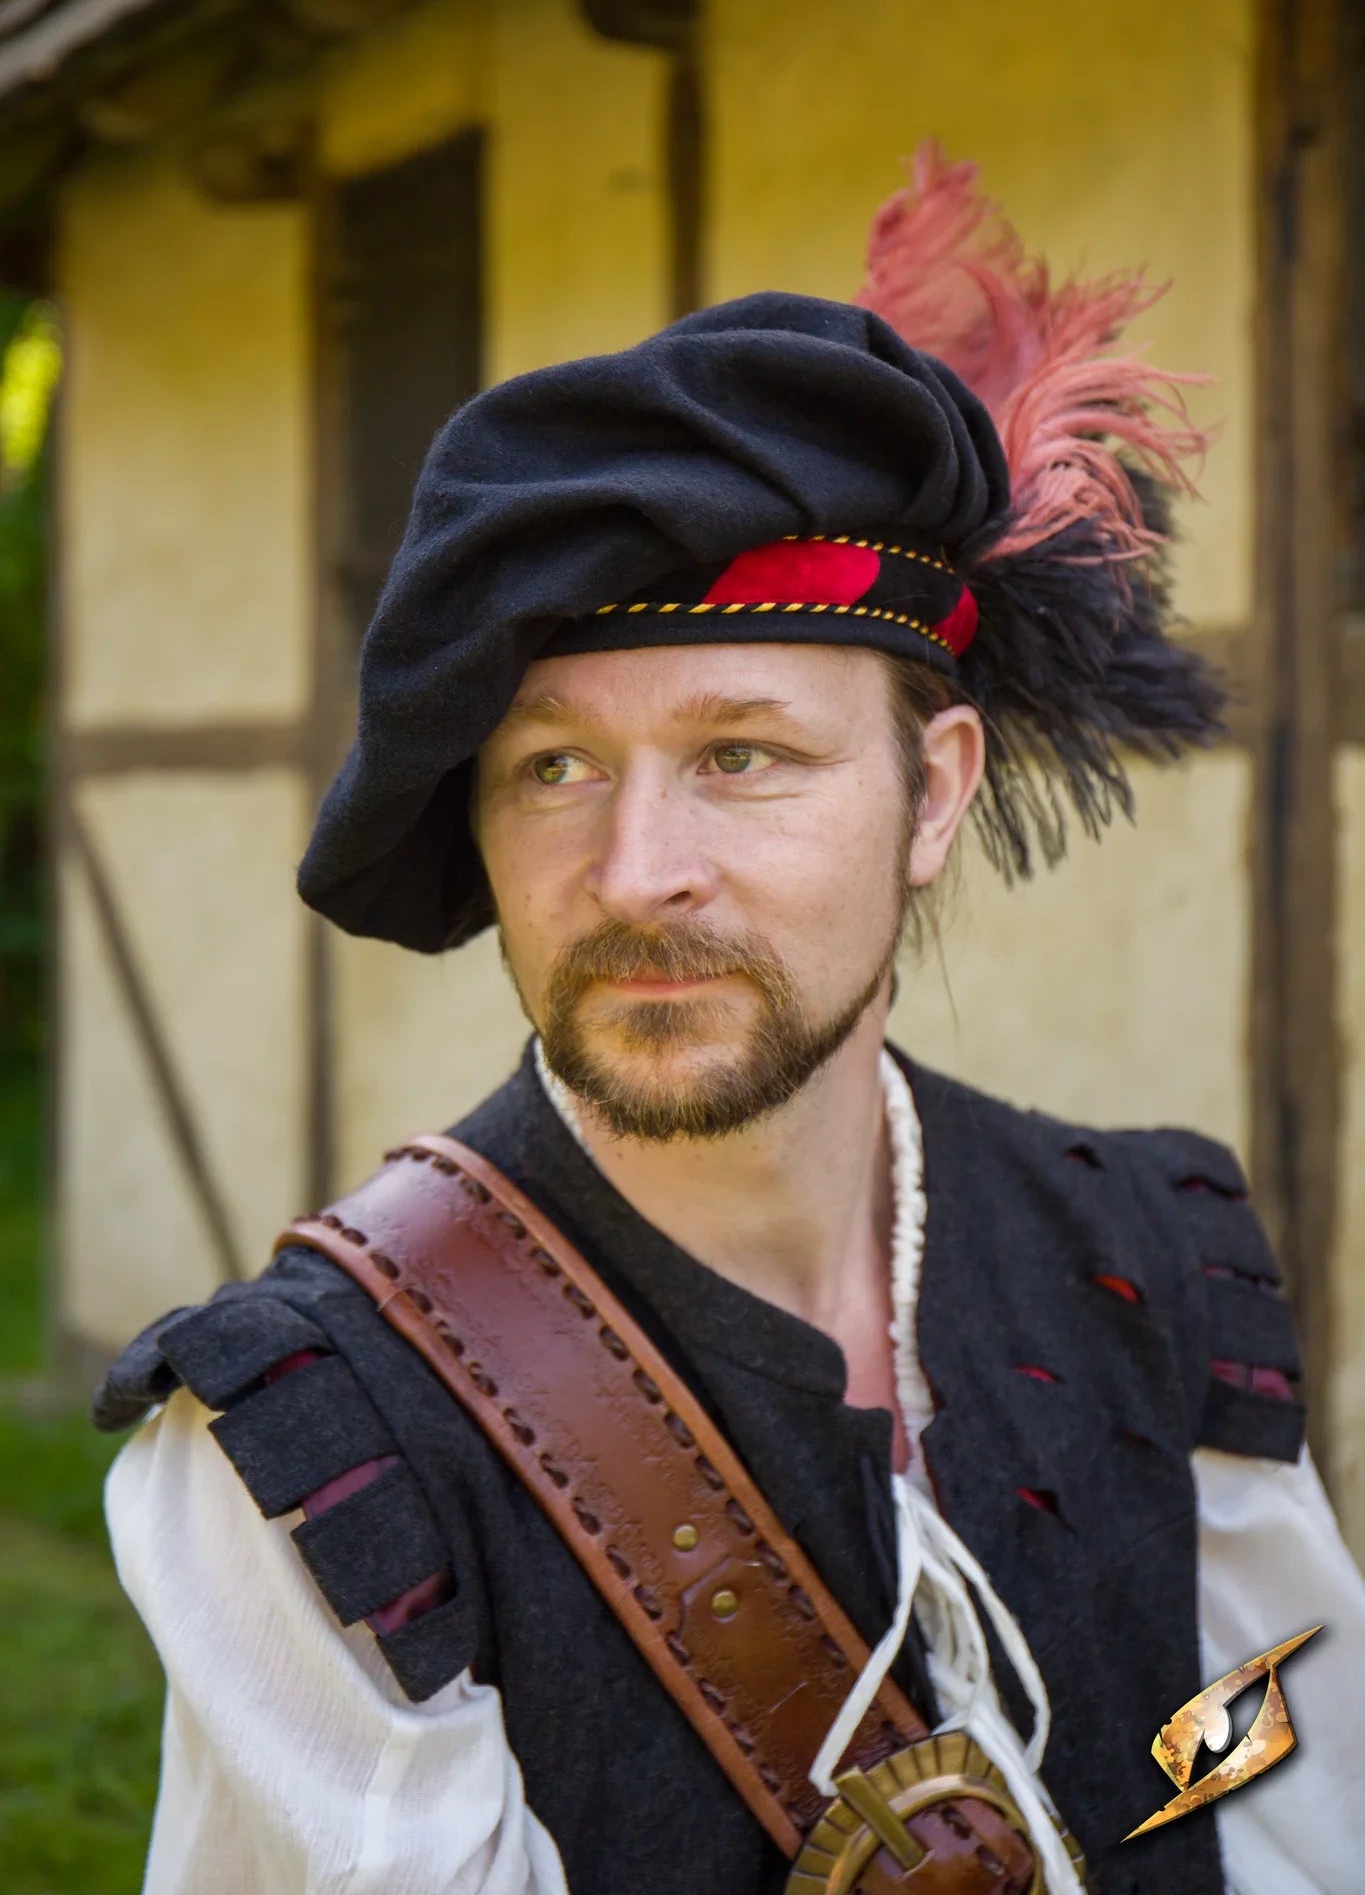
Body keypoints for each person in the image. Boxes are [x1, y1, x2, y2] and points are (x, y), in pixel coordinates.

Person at [96, 149, 1365, 1895]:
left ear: (933, 796)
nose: (636, 874)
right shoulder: (313, 1450)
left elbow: (1272, 1764)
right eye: (553, 769)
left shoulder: (1155, 1254)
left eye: (740, 755)